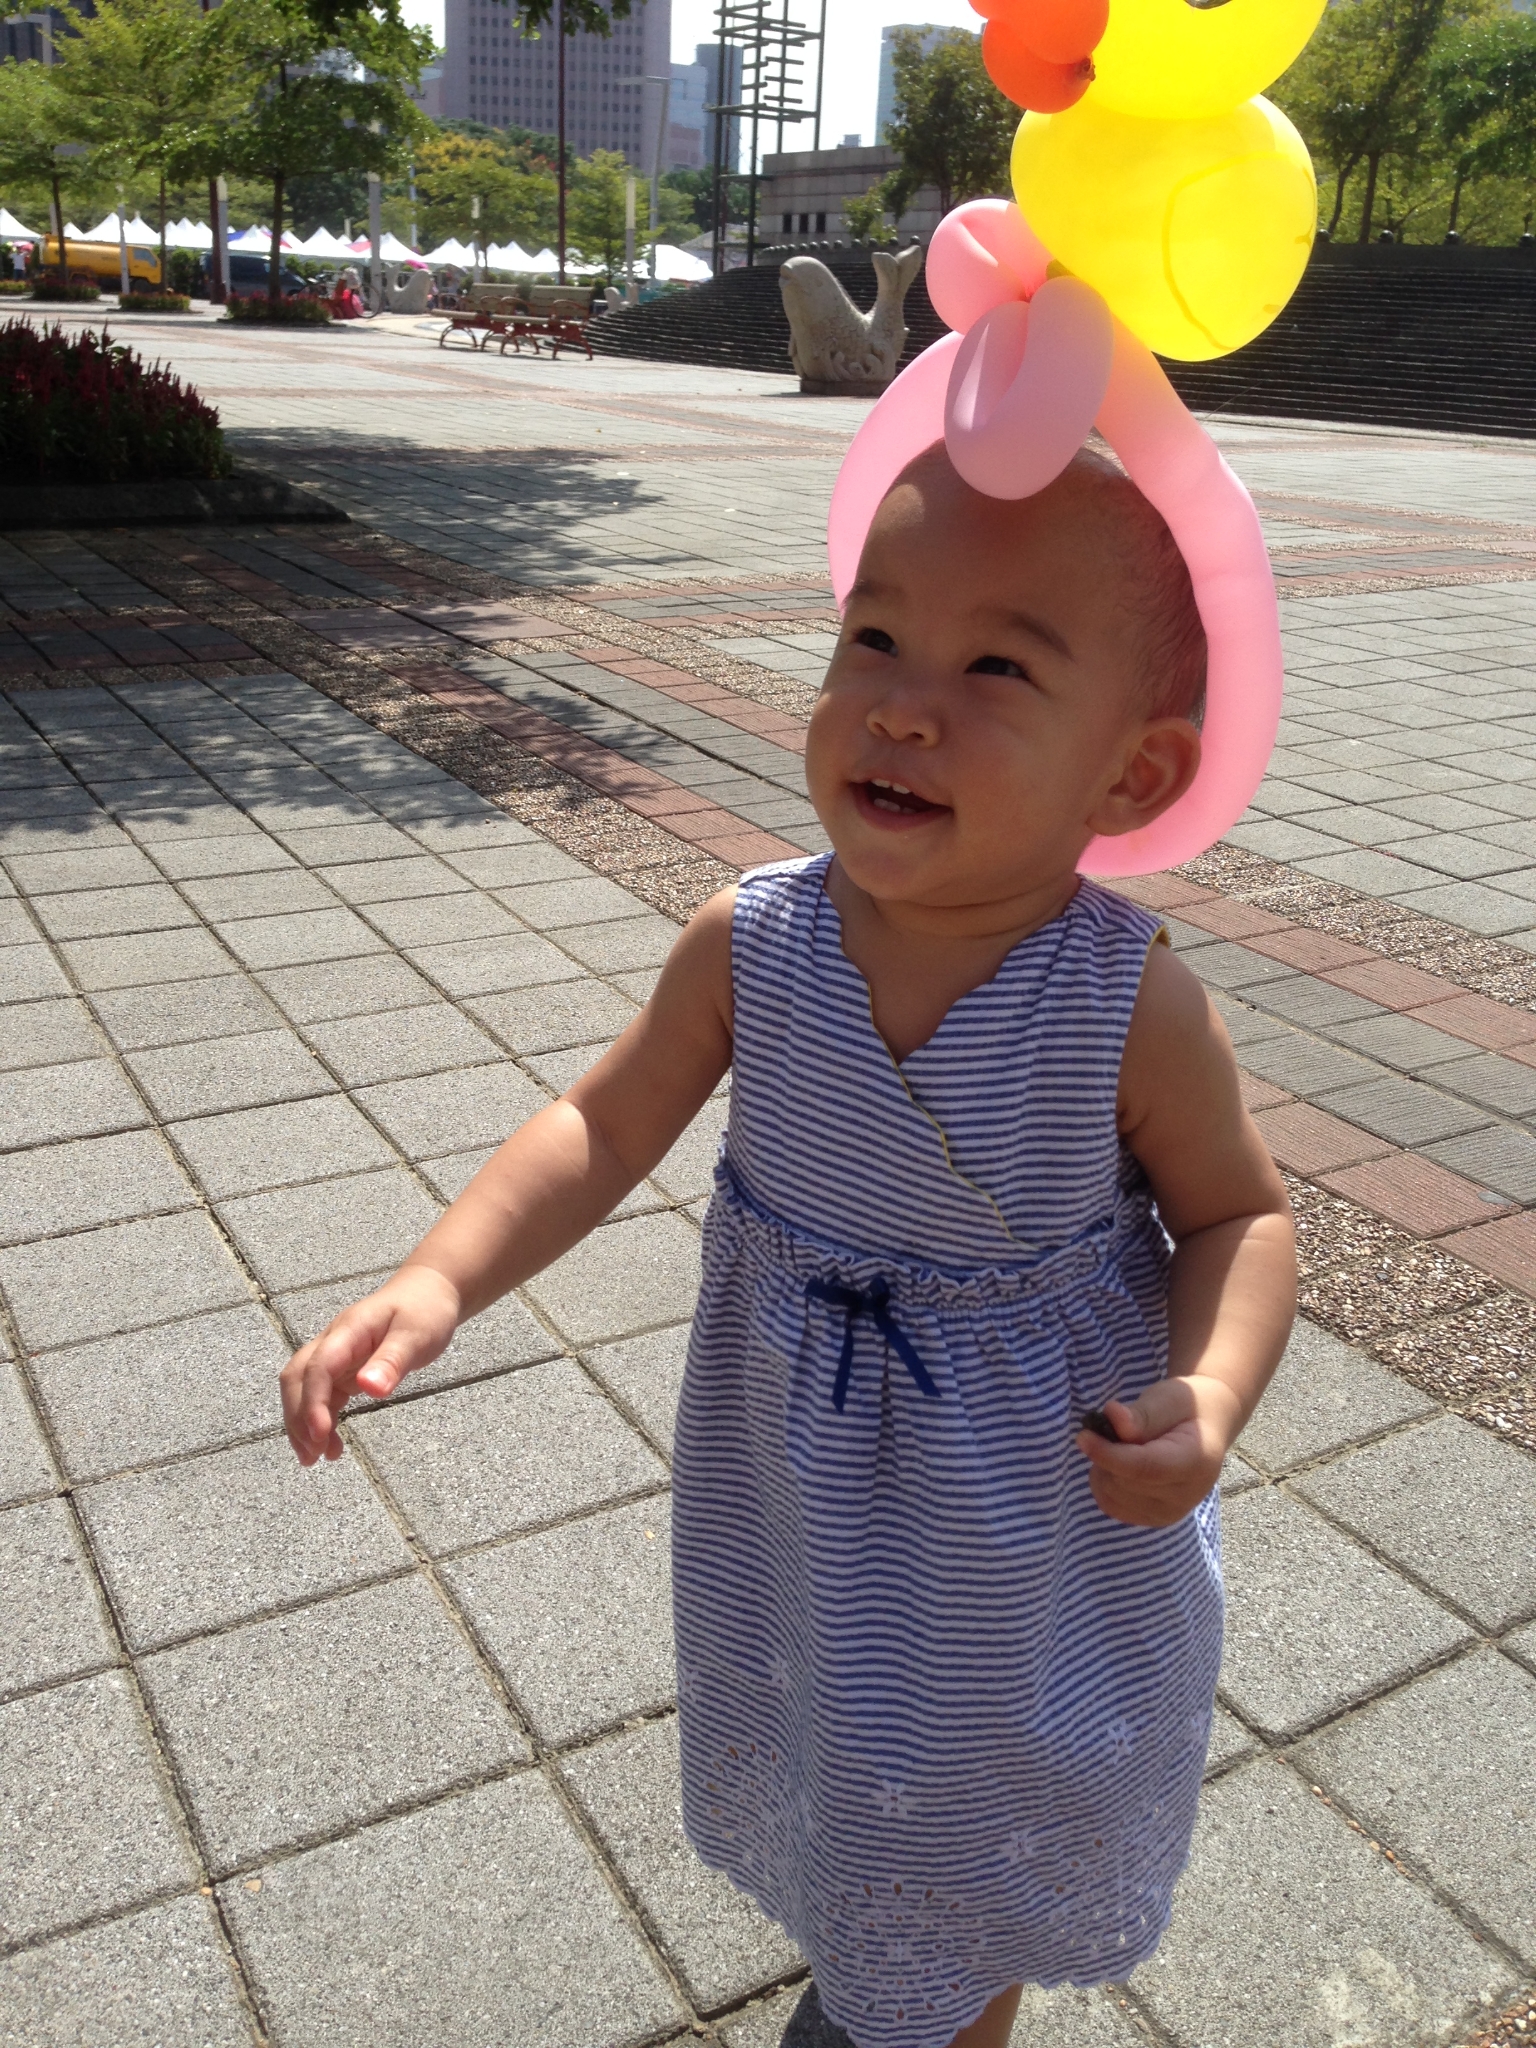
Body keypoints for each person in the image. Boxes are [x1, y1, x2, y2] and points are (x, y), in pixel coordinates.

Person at [280, 441, 1296, 2048]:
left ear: (1131, 778)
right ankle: (891, 1965)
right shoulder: (753, 943)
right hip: (805, 1495)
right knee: (843, 1744)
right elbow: (602, 1122)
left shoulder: (1125, 1005)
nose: (901, 707)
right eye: (873, 637)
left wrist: (1214, 1390)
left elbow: (1240, 1214)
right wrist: (439, 1275)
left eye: (997, 668)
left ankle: (935, 2001)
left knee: (978, 1792)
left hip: (1024, 1520)